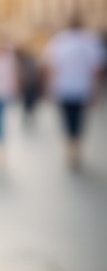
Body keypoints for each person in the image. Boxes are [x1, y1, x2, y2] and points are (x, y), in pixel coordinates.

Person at [43, 14, 106, 168]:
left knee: (67, 118)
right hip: (83, 87)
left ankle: (70, 145)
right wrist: (96, 89)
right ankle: (76, 145)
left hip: (64, 87)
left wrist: (50, 88)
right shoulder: (90, 40)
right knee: (79, 118)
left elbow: (52, 67)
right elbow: (97, 69)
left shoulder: (59, 40)